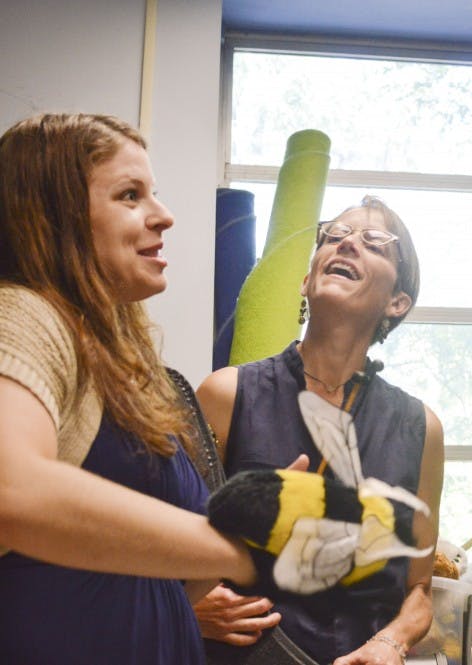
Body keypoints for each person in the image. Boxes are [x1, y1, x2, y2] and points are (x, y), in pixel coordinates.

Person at [0, 112, 266, 664]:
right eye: (129, 195)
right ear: (57, 217)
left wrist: (259, 522)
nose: (164, 215)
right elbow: (10, 492)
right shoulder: (22, 316)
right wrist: (239, 554)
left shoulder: (128, 367)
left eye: (153, 193)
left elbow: (166, 580)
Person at [194, 195, 445, 665]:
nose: (347, 243)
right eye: (334, 235)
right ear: (306, 280)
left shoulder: (421, 429)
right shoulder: (225, 395)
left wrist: (391, 642)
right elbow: (165, 545)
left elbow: (419, 588)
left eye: (375, 242)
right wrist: (190, 603)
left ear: (397, 302)